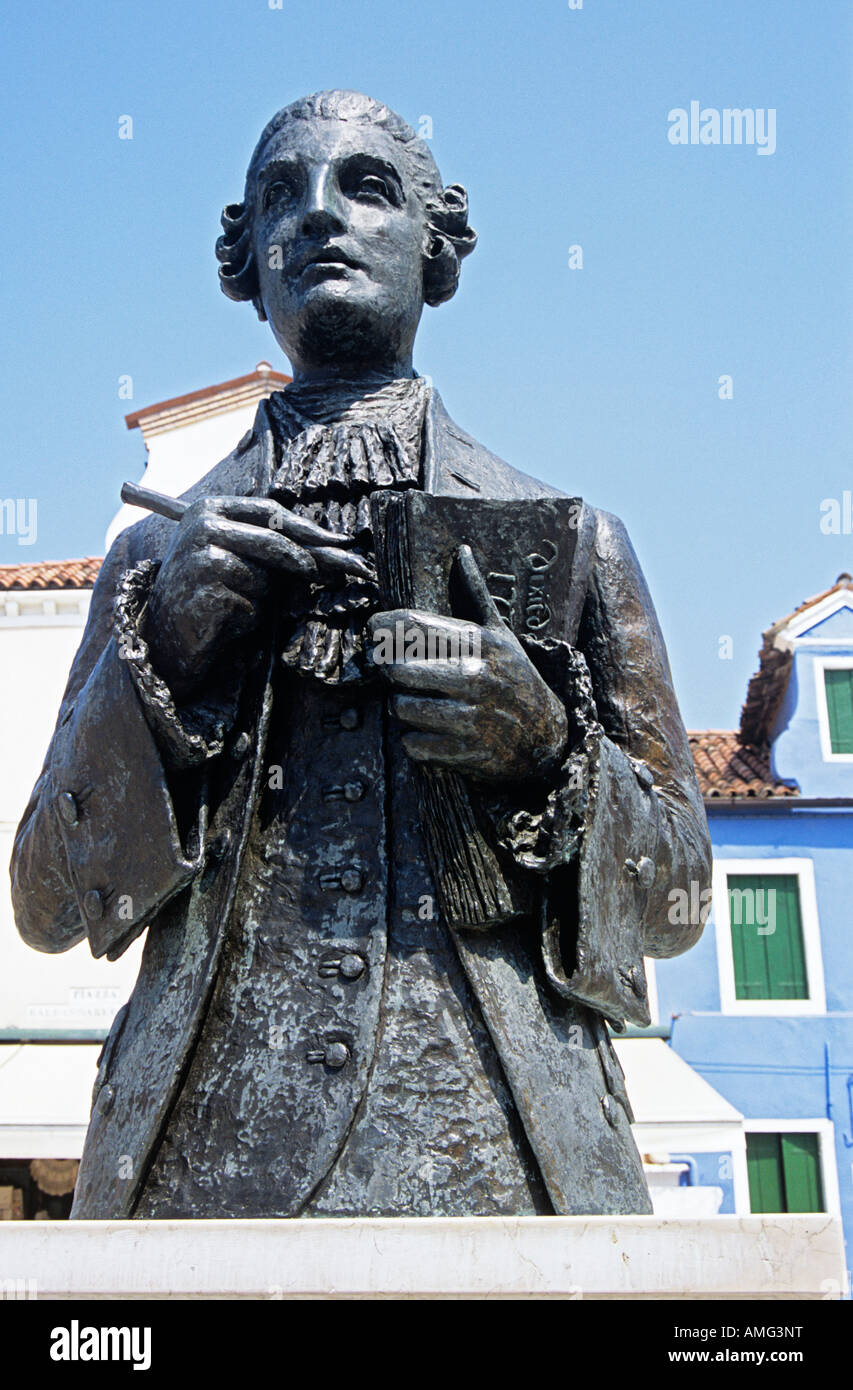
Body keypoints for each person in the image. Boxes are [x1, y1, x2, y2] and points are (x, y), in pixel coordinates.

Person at [11, 91, 711, 1219]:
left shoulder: (576, 541)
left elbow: (676, 898)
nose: (321, 217)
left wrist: (543, 754)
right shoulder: (154, 555)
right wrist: (166, 670)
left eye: (367, 187)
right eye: (282, 195)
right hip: (201, 1171)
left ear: (437, 248)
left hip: (505, 1158)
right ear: (244, 263)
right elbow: (43, 903)